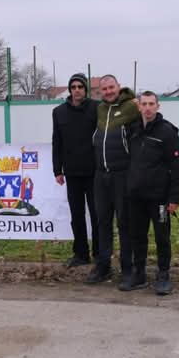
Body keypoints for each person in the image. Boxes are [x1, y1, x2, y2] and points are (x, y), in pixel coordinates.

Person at [124, 92, 179, 295]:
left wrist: (173, 198)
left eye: (152, 104)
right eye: (144, 104)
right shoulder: (132, 130)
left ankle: (164, 275)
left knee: (162, 237)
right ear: (139, 107)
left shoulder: (167, 132)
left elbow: (177, 168)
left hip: (159, 198)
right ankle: (139, 274)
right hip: (136, 196)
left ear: (158, 106)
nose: (148, 108)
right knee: (137, 236)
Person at [87, 74, 139, 284]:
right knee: (102, 222)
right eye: (104, 89)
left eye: (111, 87)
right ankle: (103, 266)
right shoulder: (99, 109)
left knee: (124, 222)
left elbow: (148, 107)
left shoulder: (131, 106)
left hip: (122, 174)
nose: (108, 92)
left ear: (119, 86)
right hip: (101, 175)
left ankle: (128, 267)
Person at [52, 73, 100, 268]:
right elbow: (57, 142)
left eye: (80, 86)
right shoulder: (59, 112)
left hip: (94, 171)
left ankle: (100, 254)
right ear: (70, 90)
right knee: (77, 215)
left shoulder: (97, 108)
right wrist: (57, 170)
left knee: (98, 215)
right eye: (73, 87)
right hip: (72, 172)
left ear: (85, 89)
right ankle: (80, 253)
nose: (77, 90)